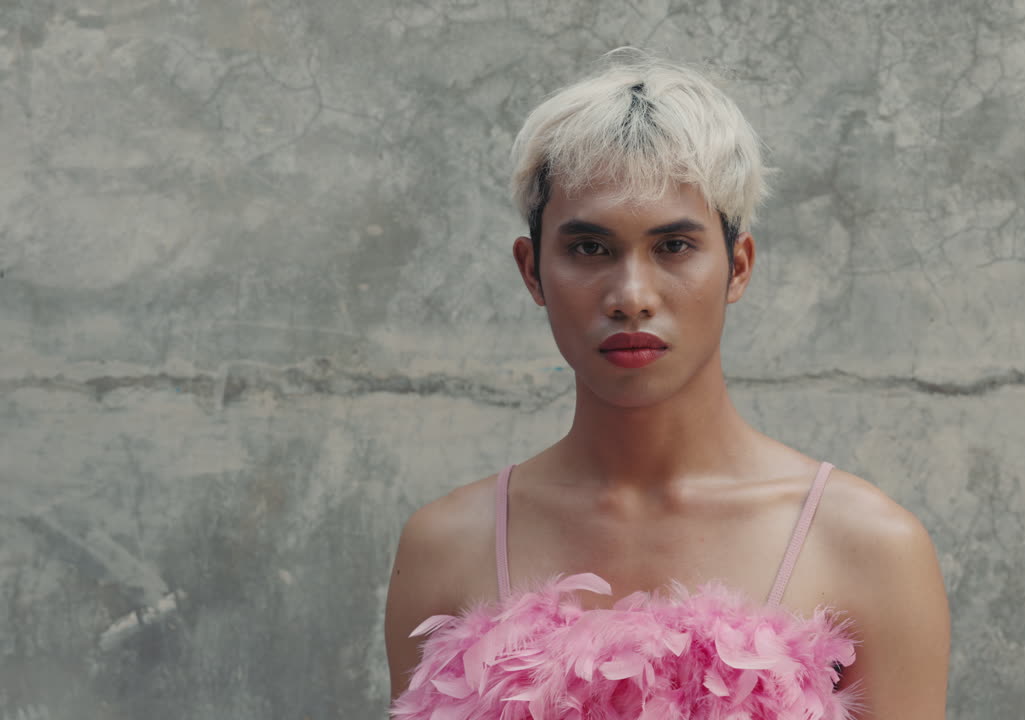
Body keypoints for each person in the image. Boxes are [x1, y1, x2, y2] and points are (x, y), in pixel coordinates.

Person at [384, 48, 950, 719]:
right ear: (532, 271)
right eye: (589, 248)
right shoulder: (447, 548)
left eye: (673, 247)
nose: (631, 296)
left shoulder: (868, 547)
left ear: (738, 267)